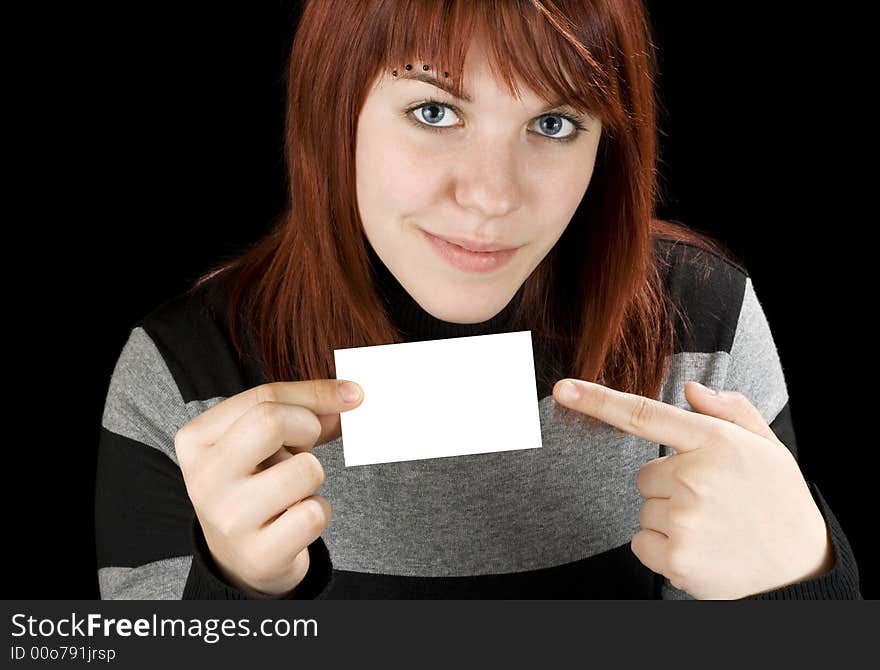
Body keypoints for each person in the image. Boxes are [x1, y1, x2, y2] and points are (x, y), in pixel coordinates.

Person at [95, 0, 861, 599]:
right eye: (434, 112)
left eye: (555, 123)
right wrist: (233, 594)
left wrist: (801, 588)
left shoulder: (705, 324)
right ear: (335, 114)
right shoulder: (182, 374)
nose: (492, 196)